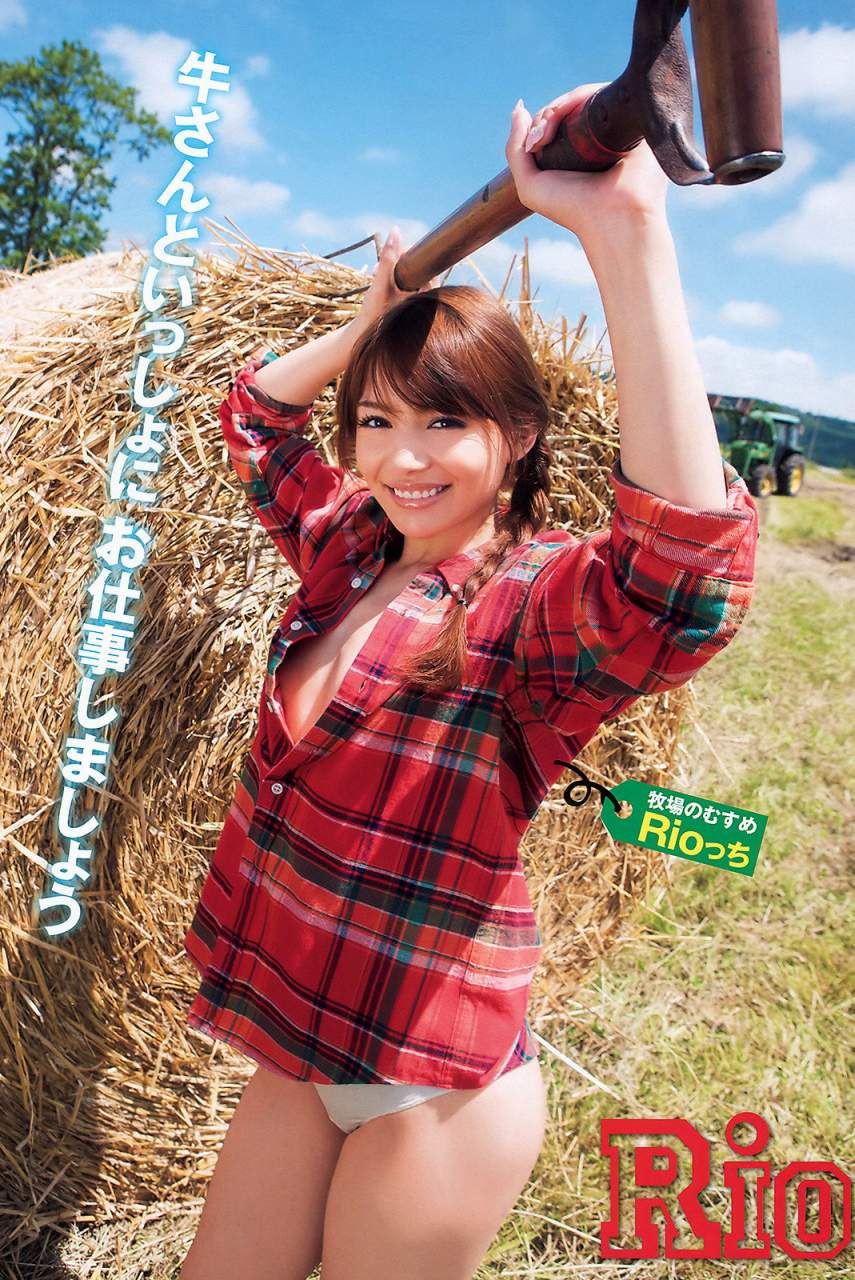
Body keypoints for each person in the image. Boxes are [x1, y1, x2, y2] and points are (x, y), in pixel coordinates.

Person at [179, 86, 759, 1280]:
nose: (401, 455)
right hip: (304, 1035)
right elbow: (252, 418)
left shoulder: (526, 601)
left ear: (520, 436)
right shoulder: (350, 548)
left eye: (444, 419)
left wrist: (627, 233)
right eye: (376, 420)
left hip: (432, 1087)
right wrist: (373, 325)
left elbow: (680, 587)